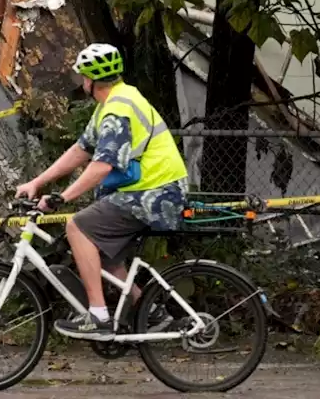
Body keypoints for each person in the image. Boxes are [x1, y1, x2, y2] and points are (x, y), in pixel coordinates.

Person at [14, 43, 189, 341]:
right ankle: (151, 311)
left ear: (92, 80)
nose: (81, 82)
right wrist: (37, 183)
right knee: (103, 252)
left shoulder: (117, 111)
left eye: (82, 76)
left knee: (78, 226)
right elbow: (81, 150)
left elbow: (101, 166)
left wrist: (62, 198)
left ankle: (97, 316)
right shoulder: (113, 103)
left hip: (157, 194)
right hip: (148, 190)